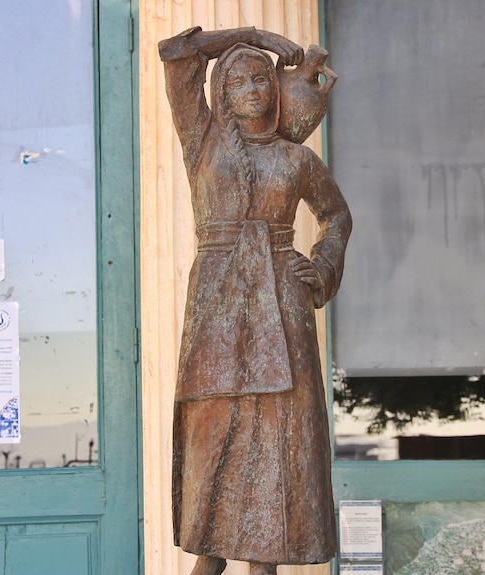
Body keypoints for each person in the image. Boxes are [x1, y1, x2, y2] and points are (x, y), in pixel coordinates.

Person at [159, 26, 352, 575]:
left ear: (276, 89)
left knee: (277, 436)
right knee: (213, 432)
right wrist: (255, 37)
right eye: (238, 79)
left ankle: (265, 561)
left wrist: (318, 270)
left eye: (262, 77)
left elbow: (336, 216)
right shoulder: (201, 140)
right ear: (221, 90)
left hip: (283, 306)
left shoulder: (296, 159)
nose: (252, 87)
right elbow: (178, 55)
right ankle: (209, 556)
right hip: (217, 313)